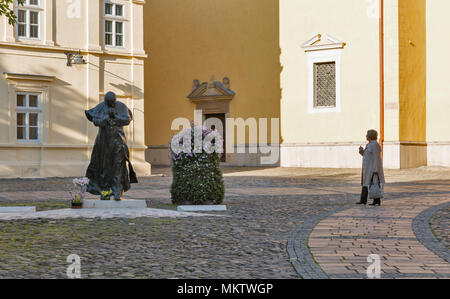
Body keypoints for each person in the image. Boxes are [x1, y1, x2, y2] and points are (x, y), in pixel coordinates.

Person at [85, 92, 138, 201]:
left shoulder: (121, 106)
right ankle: (105, 191)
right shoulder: (101, 106)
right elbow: (94, 119)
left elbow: (127, 120)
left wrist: (115, 117)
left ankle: (117, 190)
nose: (110, 104)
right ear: (105, 101)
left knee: (118, 165)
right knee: (104, 166)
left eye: (111, 102)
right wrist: (104, 119)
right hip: (103, 141)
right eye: (108, 103)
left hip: (118, 139)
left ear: (115, 100)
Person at [356, 130, 385, 206]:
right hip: (367, 168)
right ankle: (363, 200)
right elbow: (367, 156)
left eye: (367, 135)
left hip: (372, 169)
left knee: (373, 184)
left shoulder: (375, 145)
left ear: (370, 136)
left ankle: (376, 200)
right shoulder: (370, 144)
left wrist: (375, 169)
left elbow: (376, 158)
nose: (366, 136)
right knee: (366, 183)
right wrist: (361, 151)